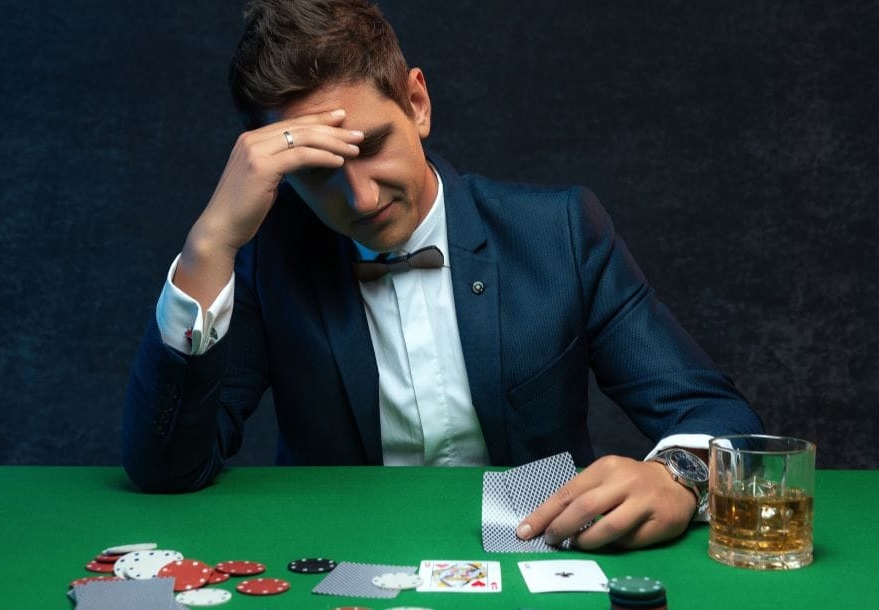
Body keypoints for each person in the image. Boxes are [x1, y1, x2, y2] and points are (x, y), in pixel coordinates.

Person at [123, 0, 763, 551]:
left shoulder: (560, 232)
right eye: (317, 171)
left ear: (417, 104)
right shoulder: (266, 256)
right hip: (339, 563)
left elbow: (719, 416)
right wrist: (209, 245)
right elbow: (167, 469)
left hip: (535, 562)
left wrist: (679, 476)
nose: (362, 198)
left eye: (370, 146)